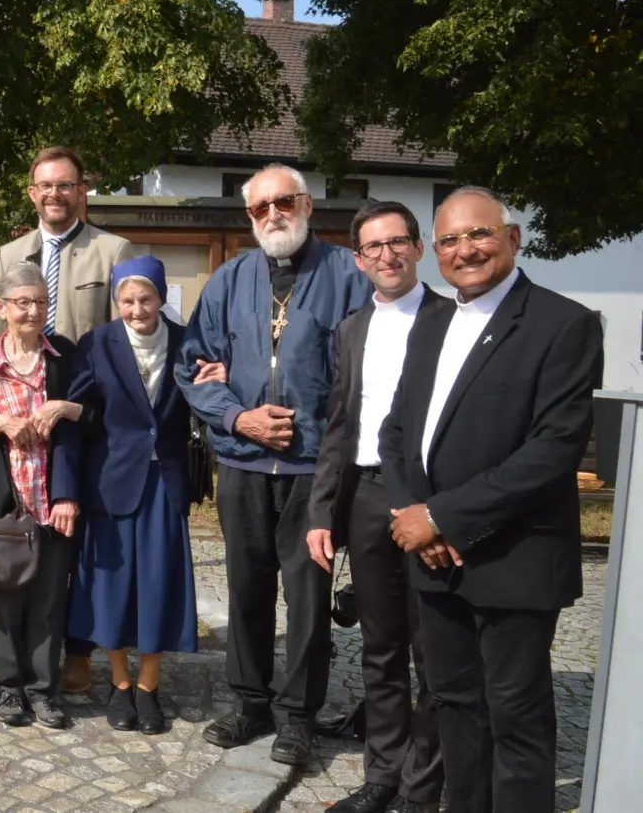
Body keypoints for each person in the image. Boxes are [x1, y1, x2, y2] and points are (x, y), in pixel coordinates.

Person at [379, 187, 601, 813]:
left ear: (513, 238)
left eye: (479, 234)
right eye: (449, 240)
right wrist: (413, 515)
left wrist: (441, 517)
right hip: (434, 560)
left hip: (514, 558)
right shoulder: (432, 324)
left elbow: (553, 449)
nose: (465, 250)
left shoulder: (564, 323)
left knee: (515, 716)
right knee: (453, 705)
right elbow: (397, 433)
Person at [174, 163, 369, 766]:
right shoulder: (229, 281)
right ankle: (249, 702)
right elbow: (193, 367)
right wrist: (239, 418)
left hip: (314, 468)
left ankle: (299, 716)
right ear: (249, 217)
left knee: (307, 597)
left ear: (307, 205)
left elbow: (367, 371)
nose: (273, 215)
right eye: (260, 208)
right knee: (246, 589)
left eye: (283, 202)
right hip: (243, 463)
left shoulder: (348, 275)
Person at [305, 201, 447, 813]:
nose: (386, 255)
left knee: (433, 650)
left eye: (397, 242)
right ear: (359, 260)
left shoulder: (452, 319)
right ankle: (383, 774)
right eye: (373, 247)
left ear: (417, 248)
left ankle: (423, 785)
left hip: (429, 497)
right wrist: (322, 512)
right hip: (365, 494)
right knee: (380, 647)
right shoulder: (352, 328)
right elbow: (339, 425)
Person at [0, 145, 135, 693]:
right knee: (22, 536)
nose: (55, 194)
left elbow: (128, 336)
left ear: (82, 191)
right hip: (23, 420)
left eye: (66, 185)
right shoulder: (10, 254)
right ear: (33, 193)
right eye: (46, 185)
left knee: (80, 538)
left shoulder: (112, 250)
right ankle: (20, 654)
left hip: (83, 413)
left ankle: (77, 650)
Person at [54, 256, 199, 736]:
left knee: (158, 583)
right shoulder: (97, 343)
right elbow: (73, 418)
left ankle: (148, 686)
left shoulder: (187, 342)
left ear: (162, 297)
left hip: (165, 480)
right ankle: (119, 683)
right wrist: (66, 489)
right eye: (128, 301)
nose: (137, 310)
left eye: (146, 299)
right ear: (117, 302)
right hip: (111, 481)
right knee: (112, 586)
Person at [0, 262, 84, 729]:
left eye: (40, 302)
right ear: (2, 308)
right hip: (4, 504)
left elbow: (88, 427)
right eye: (22, 302)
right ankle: (10, 689)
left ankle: (43, 690)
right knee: (7, 600)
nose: (32, 311)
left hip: (54, 500)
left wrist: (69, 493)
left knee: (50, 600)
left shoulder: (65, 359)